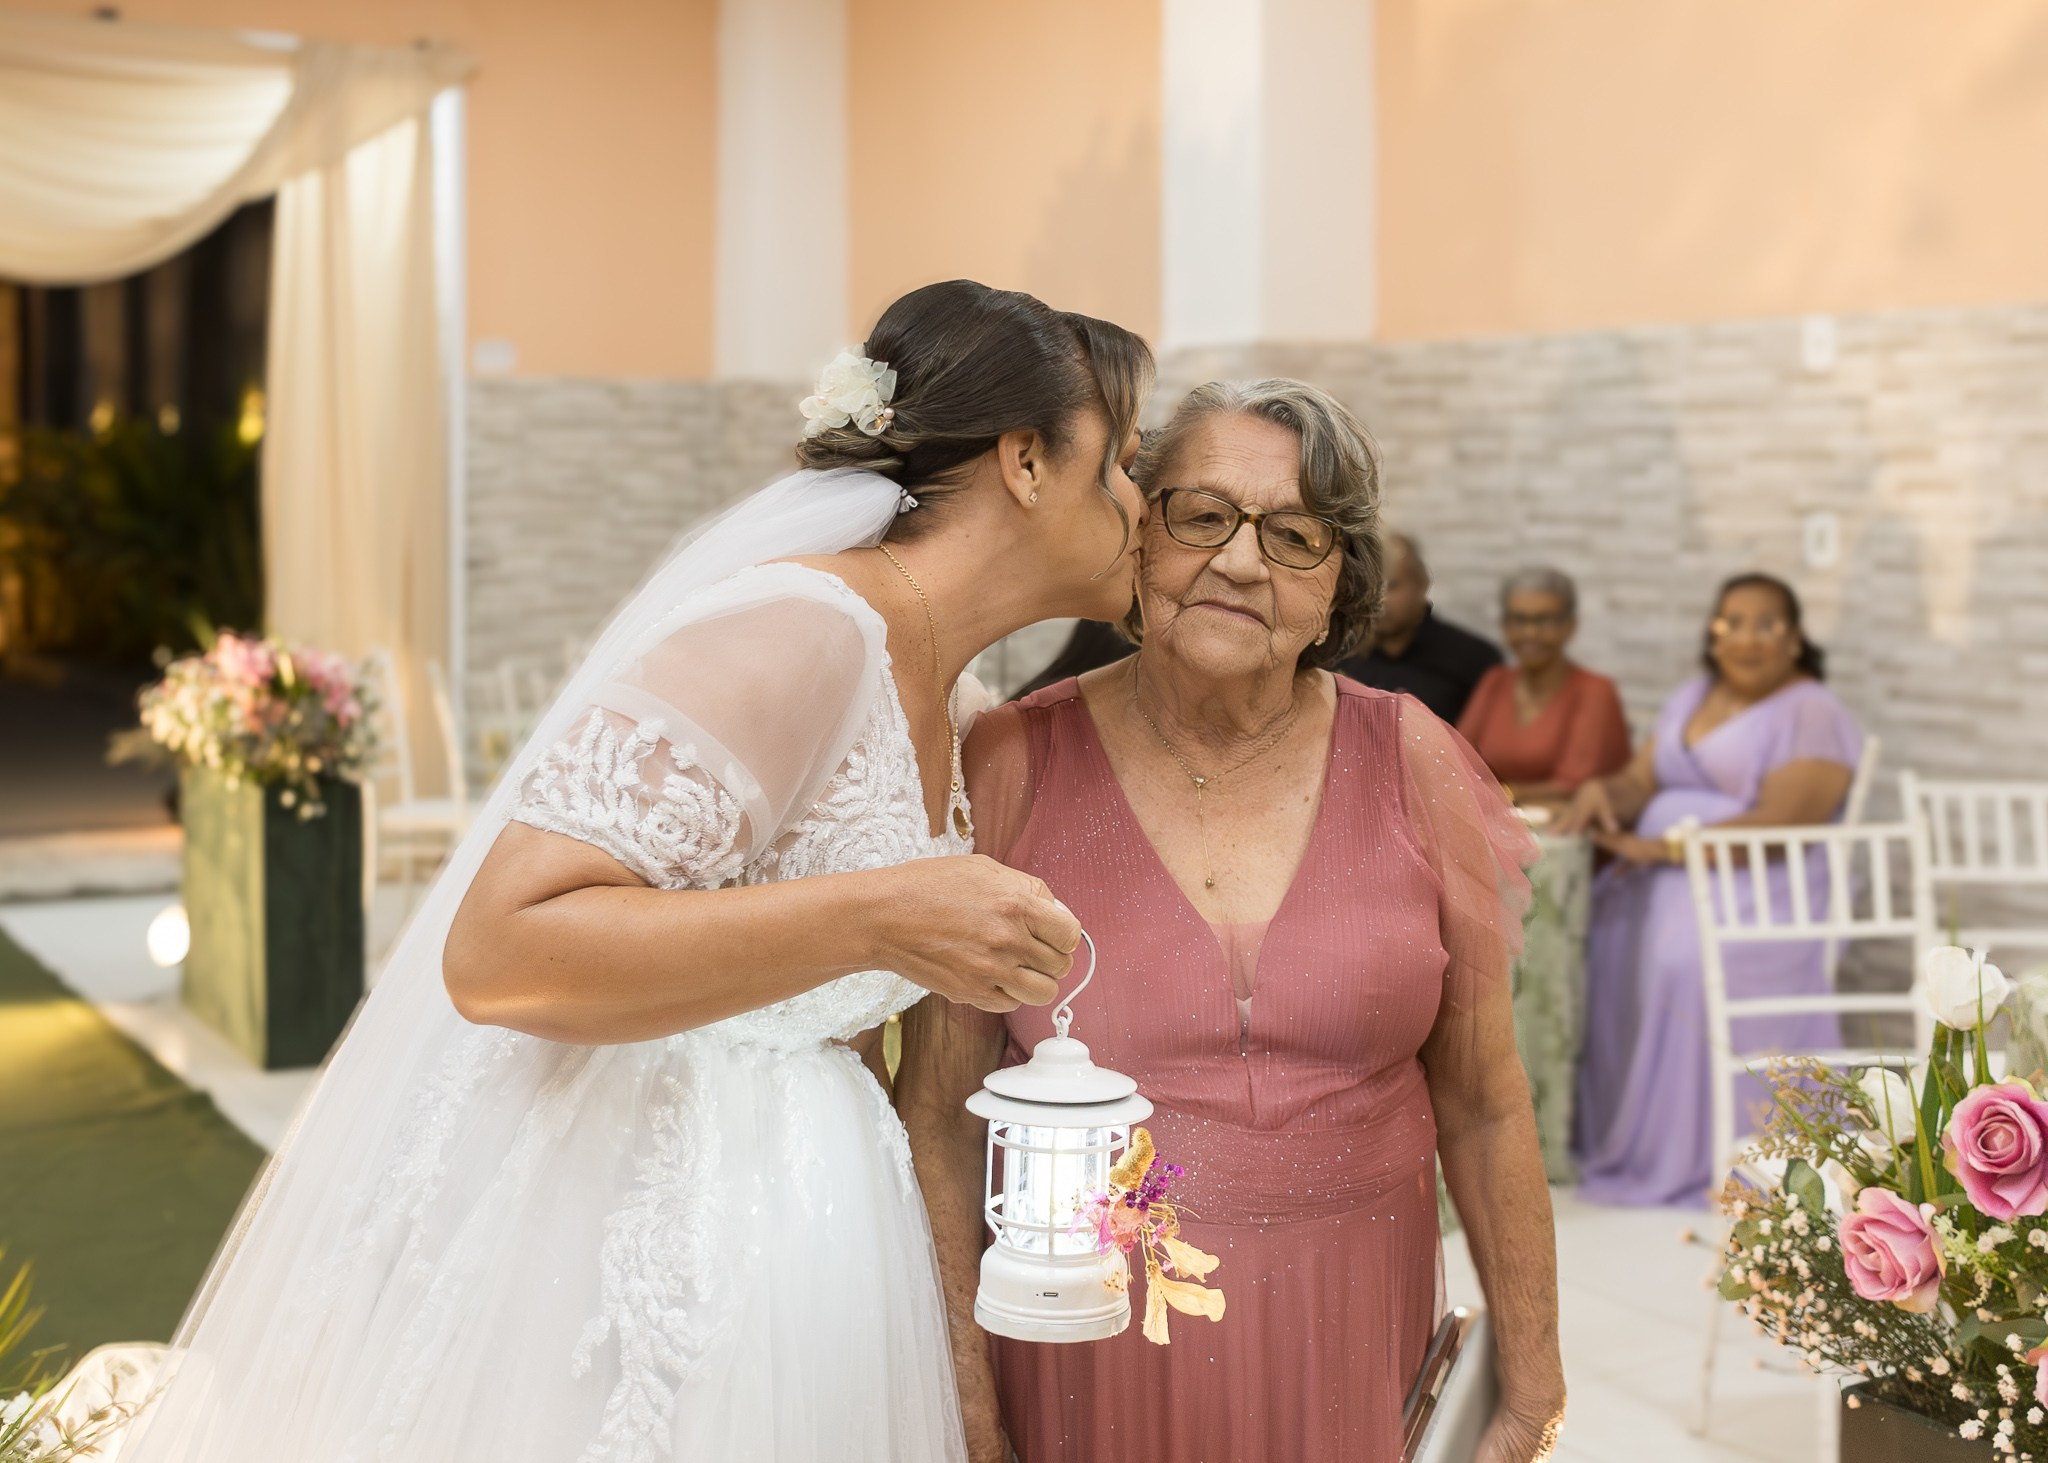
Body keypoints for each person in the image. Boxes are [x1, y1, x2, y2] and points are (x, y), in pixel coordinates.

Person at [116, 281, 1155, 1463]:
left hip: (815, 1232)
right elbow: (499, 946)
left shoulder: (957, 702)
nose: (1140, 503)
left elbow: (831, 1014)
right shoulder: (799, 632)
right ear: (1026, 462)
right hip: (624, 1231)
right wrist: (881, 912)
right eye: (1121, 463)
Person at [897, 379, 1566, 1463]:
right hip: (1088, 1354)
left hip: (1354, 1330)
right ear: (1135, 531)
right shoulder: (1013, 763)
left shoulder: (1413, 760)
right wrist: (968, 1406)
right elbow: (937, 1112)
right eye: (1200, 514)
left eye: (1292, 532)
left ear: (1336, 578)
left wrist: (1529, 1386)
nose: (1241, 562)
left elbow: (1486, 1099)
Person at [1560, 572, 1864, 1207]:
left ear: (1795, 637)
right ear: (1712, 632)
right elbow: (1641, 781)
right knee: (1600, 937)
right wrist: (1604, 795)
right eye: (1731, 622)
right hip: (1666, 880)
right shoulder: (1693, 695)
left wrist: (1669, 847)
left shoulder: (1812, 710)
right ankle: (1622, 1136)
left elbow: (1787, 823)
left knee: (1683, 959)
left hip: (1757, 887)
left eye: (1766, 624)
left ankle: (1716, 1155)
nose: (1746, 638)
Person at [1457, 567, 1631, 808]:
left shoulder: (1595, 691)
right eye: (1519, 620)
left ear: (1570, 625)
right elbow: (1457, 759)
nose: (1530, 632)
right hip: (1490, 822)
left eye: (1544, 621)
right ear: (1505, 625)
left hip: (1561, 831)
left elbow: (1572, 786)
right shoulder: (1495, 680)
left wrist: (1497, 794)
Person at [1336, 531, 1502, 723]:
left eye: (1391, 586)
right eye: (1367, 587)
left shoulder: (1472, 659)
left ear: (1422, 583)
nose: (1377, 600)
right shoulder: (1338, 655)